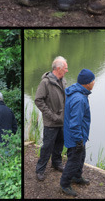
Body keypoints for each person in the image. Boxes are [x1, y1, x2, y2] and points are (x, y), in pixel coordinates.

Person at [60, 69, 95, 197]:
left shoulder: (78, 92)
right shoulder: (79, 99)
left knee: (81, 157)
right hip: (75, 137)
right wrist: (78, 140)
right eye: (92, 80)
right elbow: (75, 123)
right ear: (87, 83)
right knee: (73, 160)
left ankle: (77, 177)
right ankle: (64, 184)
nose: (94, 82)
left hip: (79, 135)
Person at [34, 56, 68, 181]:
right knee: (47, 146)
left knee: (60, 143)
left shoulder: (63, 81)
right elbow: (38, 100)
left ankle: (56, 163)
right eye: (65, 68)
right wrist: (52, 116)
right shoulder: (45, 82)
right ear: (58, 68)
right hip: (51, 122)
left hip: (62, 121)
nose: (67, 70)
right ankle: (40, 170)